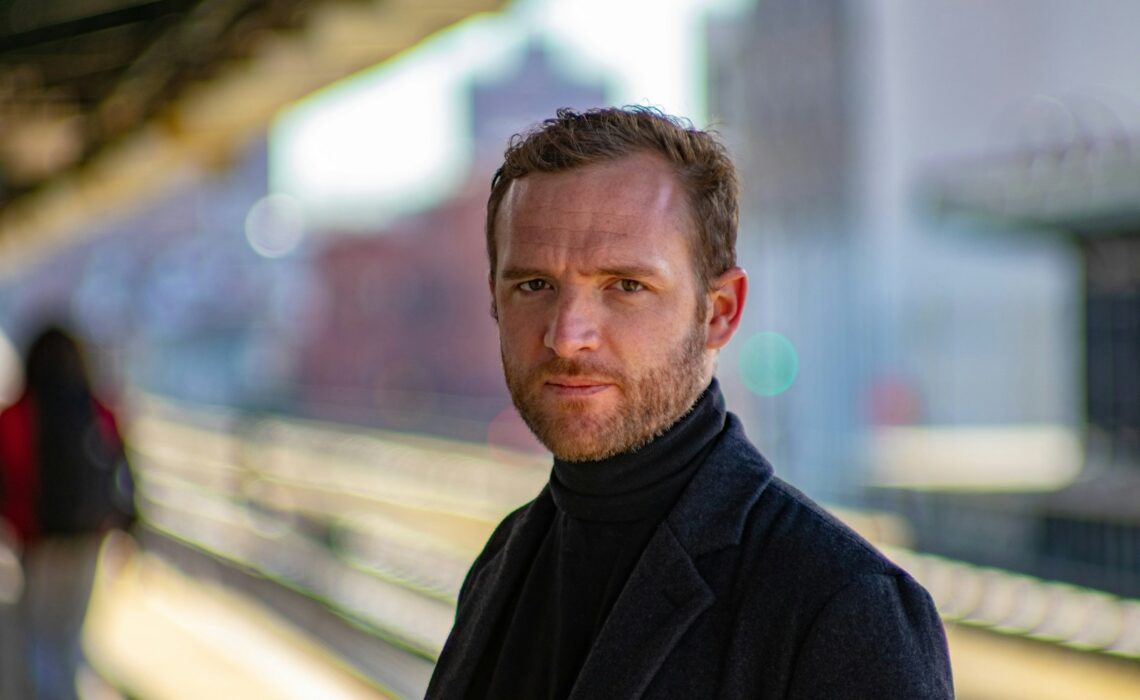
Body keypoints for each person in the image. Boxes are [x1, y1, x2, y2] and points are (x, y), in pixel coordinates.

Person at [426, 107, 953, 699]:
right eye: (533, 286)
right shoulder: (503, 560)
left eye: (626, 286)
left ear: (720, 311)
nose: (566, 335)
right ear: (496, 300)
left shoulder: (844, 605)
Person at [0, 324, 136, 699]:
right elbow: (124, 472)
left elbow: (8, 478)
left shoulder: (16, 414)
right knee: (70, 638)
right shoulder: (99, 408)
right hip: (89, 539)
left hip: (38, 540)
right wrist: (129, 527)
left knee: (40, 636)